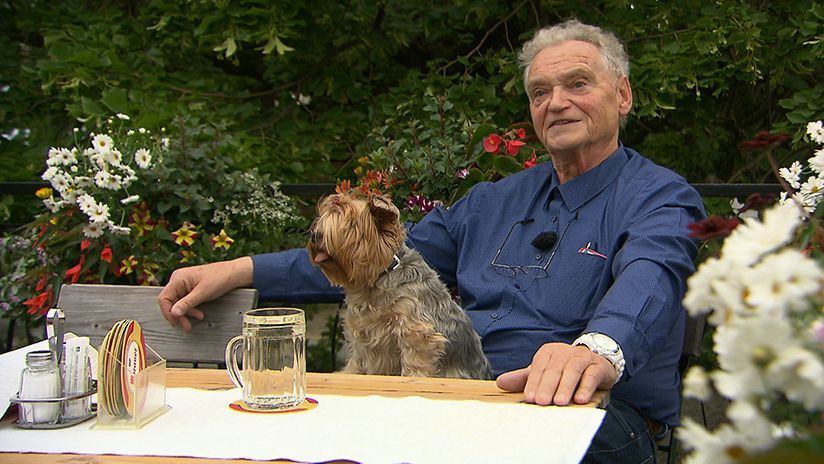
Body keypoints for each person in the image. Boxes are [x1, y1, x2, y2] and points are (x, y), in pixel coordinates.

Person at [159, 19, 705, 463]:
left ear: (624, 94)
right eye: (541, 92)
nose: (556, 102)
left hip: (586, 413)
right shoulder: (491, 203)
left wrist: (595, 349)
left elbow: (650, 278)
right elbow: (376, 262)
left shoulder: (659, 198)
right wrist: (239, 270)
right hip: (462, 404)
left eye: (578, 84)